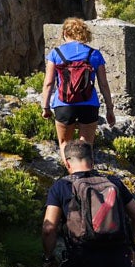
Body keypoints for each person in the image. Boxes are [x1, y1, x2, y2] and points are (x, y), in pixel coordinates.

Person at [41, 18, 115, 163]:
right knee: (87, 146)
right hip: (89, 104)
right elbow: (104, 84)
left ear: (64, 33)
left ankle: (71, 176)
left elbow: (49, 83)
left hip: (64, 104)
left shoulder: (55, 53)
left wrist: (46, 107)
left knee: (65, 144)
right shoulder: (94, 54)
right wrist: (110, 109)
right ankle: (85, 176)